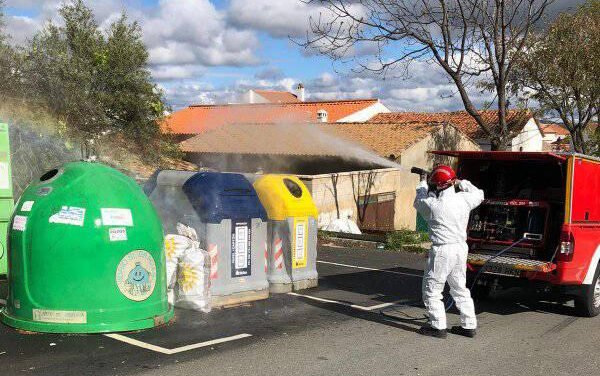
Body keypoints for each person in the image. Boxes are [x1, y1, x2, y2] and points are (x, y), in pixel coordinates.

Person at [413, 165, 484, 339]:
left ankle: (438, 327)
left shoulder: (433, 204)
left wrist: (422, 181)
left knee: (432, 290)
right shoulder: (464, 199)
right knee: (459, 287)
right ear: (452, 182)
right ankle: (468, 326)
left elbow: (418, 201)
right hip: (460, 248)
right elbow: (479, 194)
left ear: (437, 185)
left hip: (443, 250)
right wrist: (460, 182)